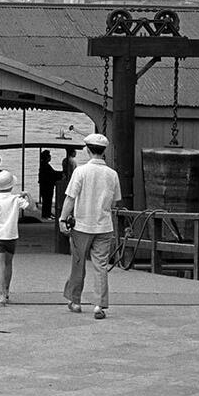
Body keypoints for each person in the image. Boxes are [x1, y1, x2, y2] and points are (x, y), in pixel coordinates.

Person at [59, 133, 122, 320]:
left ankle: (76, 301)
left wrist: (62, 219)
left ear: (87, 150)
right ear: (104, 152)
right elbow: (114, 203)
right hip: (104, 226)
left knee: (78, 264)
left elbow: (70, 198)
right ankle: (99, 305)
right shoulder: (112, 174)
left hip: (82, 225)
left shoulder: (80, 172)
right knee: (101, 265)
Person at [0, 170, 32, 306]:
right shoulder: (16, 199)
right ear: (11, 185)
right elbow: (33, 208)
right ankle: (8, 291)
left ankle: (1, 295)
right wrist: (27, 195)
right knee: (9, 264)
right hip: (11, 236)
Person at [38, 150, 60, 219]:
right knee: (46, 201)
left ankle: (48, 213)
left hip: (46, 186)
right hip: (46, 187)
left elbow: (53, 173)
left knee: (47, 201)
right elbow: (52, 174)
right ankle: (46, 214)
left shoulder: (45, 165)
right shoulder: (45, 165)